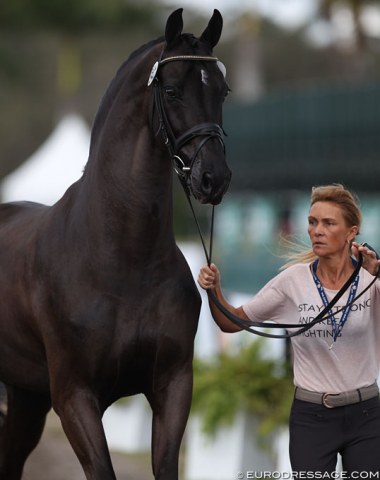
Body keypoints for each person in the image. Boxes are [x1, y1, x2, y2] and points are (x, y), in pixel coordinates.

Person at [198, 184, 380, 477]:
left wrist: (377, 274)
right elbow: (232, 322)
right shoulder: (291, 282)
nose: (317, 230)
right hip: (312, 417)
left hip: (367, 415)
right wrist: (214, 290)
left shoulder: (371, 280)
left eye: (328, 223)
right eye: (312, 222)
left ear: (351, 232)